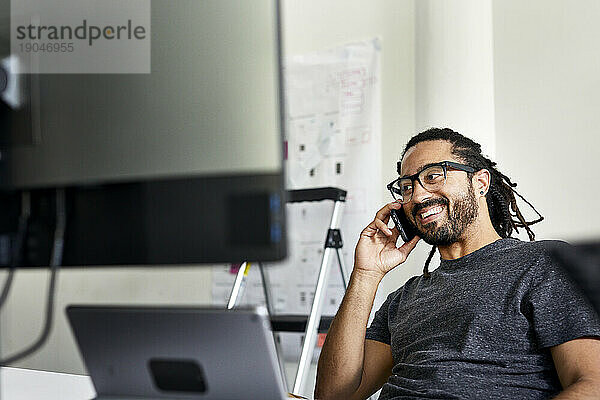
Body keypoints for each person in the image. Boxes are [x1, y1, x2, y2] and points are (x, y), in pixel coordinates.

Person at [314, 128, 600, 400]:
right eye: (407, 186)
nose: (418, 195)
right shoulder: (402, 300)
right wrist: (366, 274)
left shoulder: (542, 265)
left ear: (480, 183)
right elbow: (333, 395)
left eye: (434, 176)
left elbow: (592, 384)